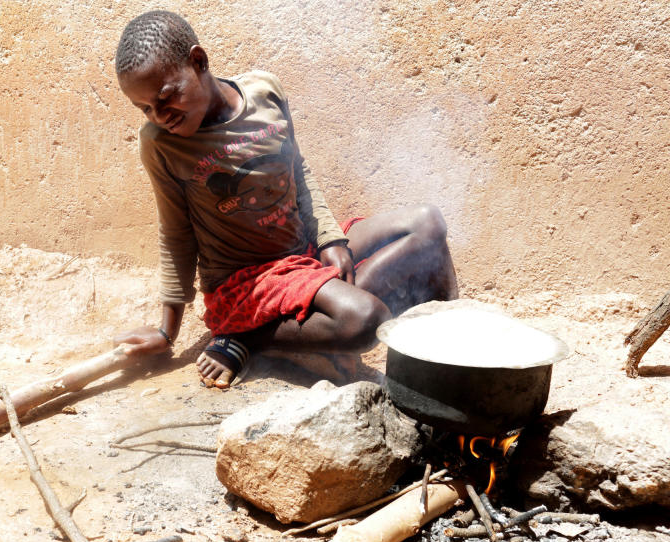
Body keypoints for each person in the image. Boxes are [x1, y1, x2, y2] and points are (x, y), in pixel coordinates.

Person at [112, 10, 458, 388]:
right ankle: (248, 335)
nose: (160, 115)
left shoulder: (265, 92)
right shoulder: (161, 145)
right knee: (366, 320)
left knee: (428, 224)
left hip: (301, 250)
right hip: (248, 281)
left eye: (166, 97)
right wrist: (167, 332)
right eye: (145, 108)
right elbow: (175, 233)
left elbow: (299, 171)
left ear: (198, 61)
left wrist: (330, 238)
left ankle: (450, 361)